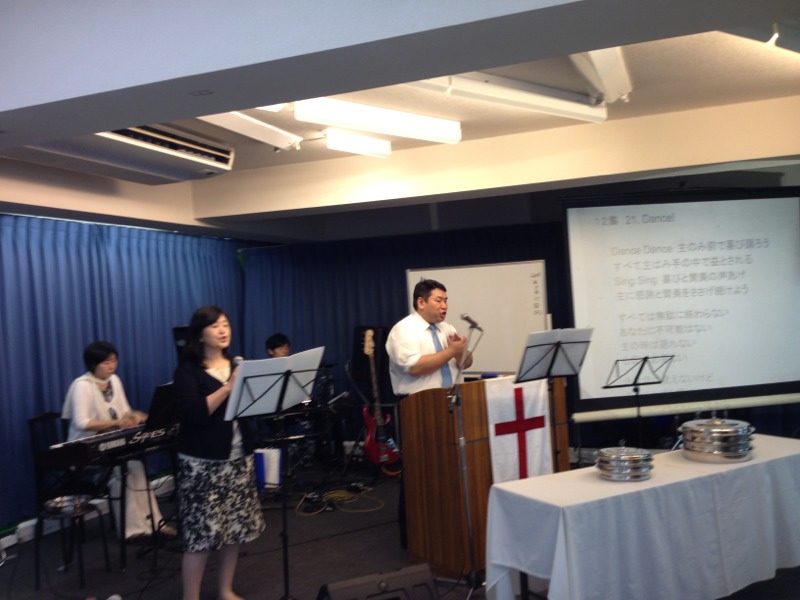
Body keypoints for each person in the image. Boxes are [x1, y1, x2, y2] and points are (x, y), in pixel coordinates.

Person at [173, 305, 265, 600]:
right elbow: (193, 413)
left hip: (238, 459)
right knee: (201, 536)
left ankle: (225, 590)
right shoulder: (188, 371)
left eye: (225, 324)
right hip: (202, 465)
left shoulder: (238, 364)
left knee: (235, 530)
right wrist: (228, 387)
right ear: (200, 335)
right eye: (215, 326)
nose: (223, 330)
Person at [62, 341, 175, 539]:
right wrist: (117, 422)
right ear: (93, 364)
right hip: (85, 452)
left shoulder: (114, 380)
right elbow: (82, 422)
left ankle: (154, 523)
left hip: (112, 445)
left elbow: (125, 412)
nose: (111, 366)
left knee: (135, 466)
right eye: (106, 362)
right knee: (124, 470)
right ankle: (133, 529)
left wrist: (136, 416)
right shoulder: (82, 385)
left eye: (114, 361)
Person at [385, 278, 473, 396]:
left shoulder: (447, 328)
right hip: (419, 401)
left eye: (445, 301)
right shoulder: (404, 329)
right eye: (439, 300)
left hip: (454, 396)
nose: (444, 306)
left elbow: (467, 364)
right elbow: (414, 367)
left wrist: (460, 351)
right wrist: (452, 351)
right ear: (421, 303)